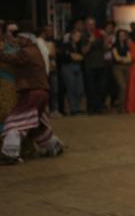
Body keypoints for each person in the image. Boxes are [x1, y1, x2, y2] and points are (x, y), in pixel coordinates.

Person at [0, 30, 64, 164]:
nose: (18, 41)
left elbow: (12, 59)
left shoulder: (27, 52)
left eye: (21, 38)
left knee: (14, 122)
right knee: (36, 124)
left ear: (28, 39)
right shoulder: (35, 50)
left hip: (33, 93)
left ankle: (10, 154)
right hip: (41, 92)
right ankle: (54, 145)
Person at [82, 17, 107, 114]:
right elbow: (84, 51)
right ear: (86, 25)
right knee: (91, 88)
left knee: (101, 87)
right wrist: (90, 42)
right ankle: (91, 108)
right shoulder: (84, 36)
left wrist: (105, 37)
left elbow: (105, 48)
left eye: (93, 24)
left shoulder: (98, 34)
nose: (91, 26)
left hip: (100, 64)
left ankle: (99, 107)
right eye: (89, 24)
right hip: (90, 65)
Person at [61, 30, 85, 115]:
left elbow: (82, 57)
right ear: (72, 36)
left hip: (77, 67)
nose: (78, 38)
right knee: (71, 88)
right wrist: (77, 56)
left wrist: (77, 56)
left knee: (80, 89)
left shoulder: (79, 45)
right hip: (68, 67)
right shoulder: (65, 45)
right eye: (76, 36)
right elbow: (73, 56)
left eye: (79, 36)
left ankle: (77, 107)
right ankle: (73, 109)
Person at [111, 29, 131, 113]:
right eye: (120, 35)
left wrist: (123, 59)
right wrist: (124, 59)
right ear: (118, 36)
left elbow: (129, 58)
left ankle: (122, 106)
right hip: (117, 67)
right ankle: (120, 105)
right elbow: (117, 58)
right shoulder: (114, 45)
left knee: (124, 88)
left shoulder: (127, 46)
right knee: (122, 86)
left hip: (126, 67)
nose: (122, 37)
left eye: (123, 35)